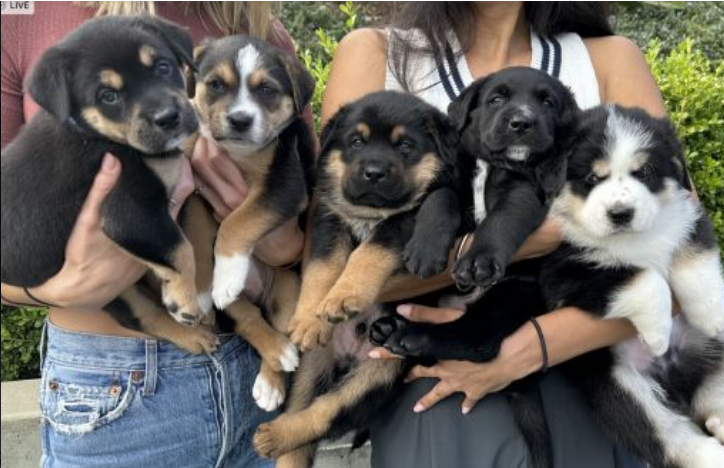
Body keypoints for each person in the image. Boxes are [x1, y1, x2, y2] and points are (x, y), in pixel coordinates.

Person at [322, 2, 675, 467]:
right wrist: (537, 238)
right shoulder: (377, 54)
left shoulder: (608, 59)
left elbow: (676, 251)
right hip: (432, 384)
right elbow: (336, 269)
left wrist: (530, 347)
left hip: (592, 379)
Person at [0, 2, 311, 467]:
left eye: (167, 71)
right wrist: (46, 288)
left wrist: (284, 249)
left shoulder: (252, 25)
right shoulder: (21, 13)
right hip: (115, 384)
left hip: (253, 365)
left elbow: (312, 199)